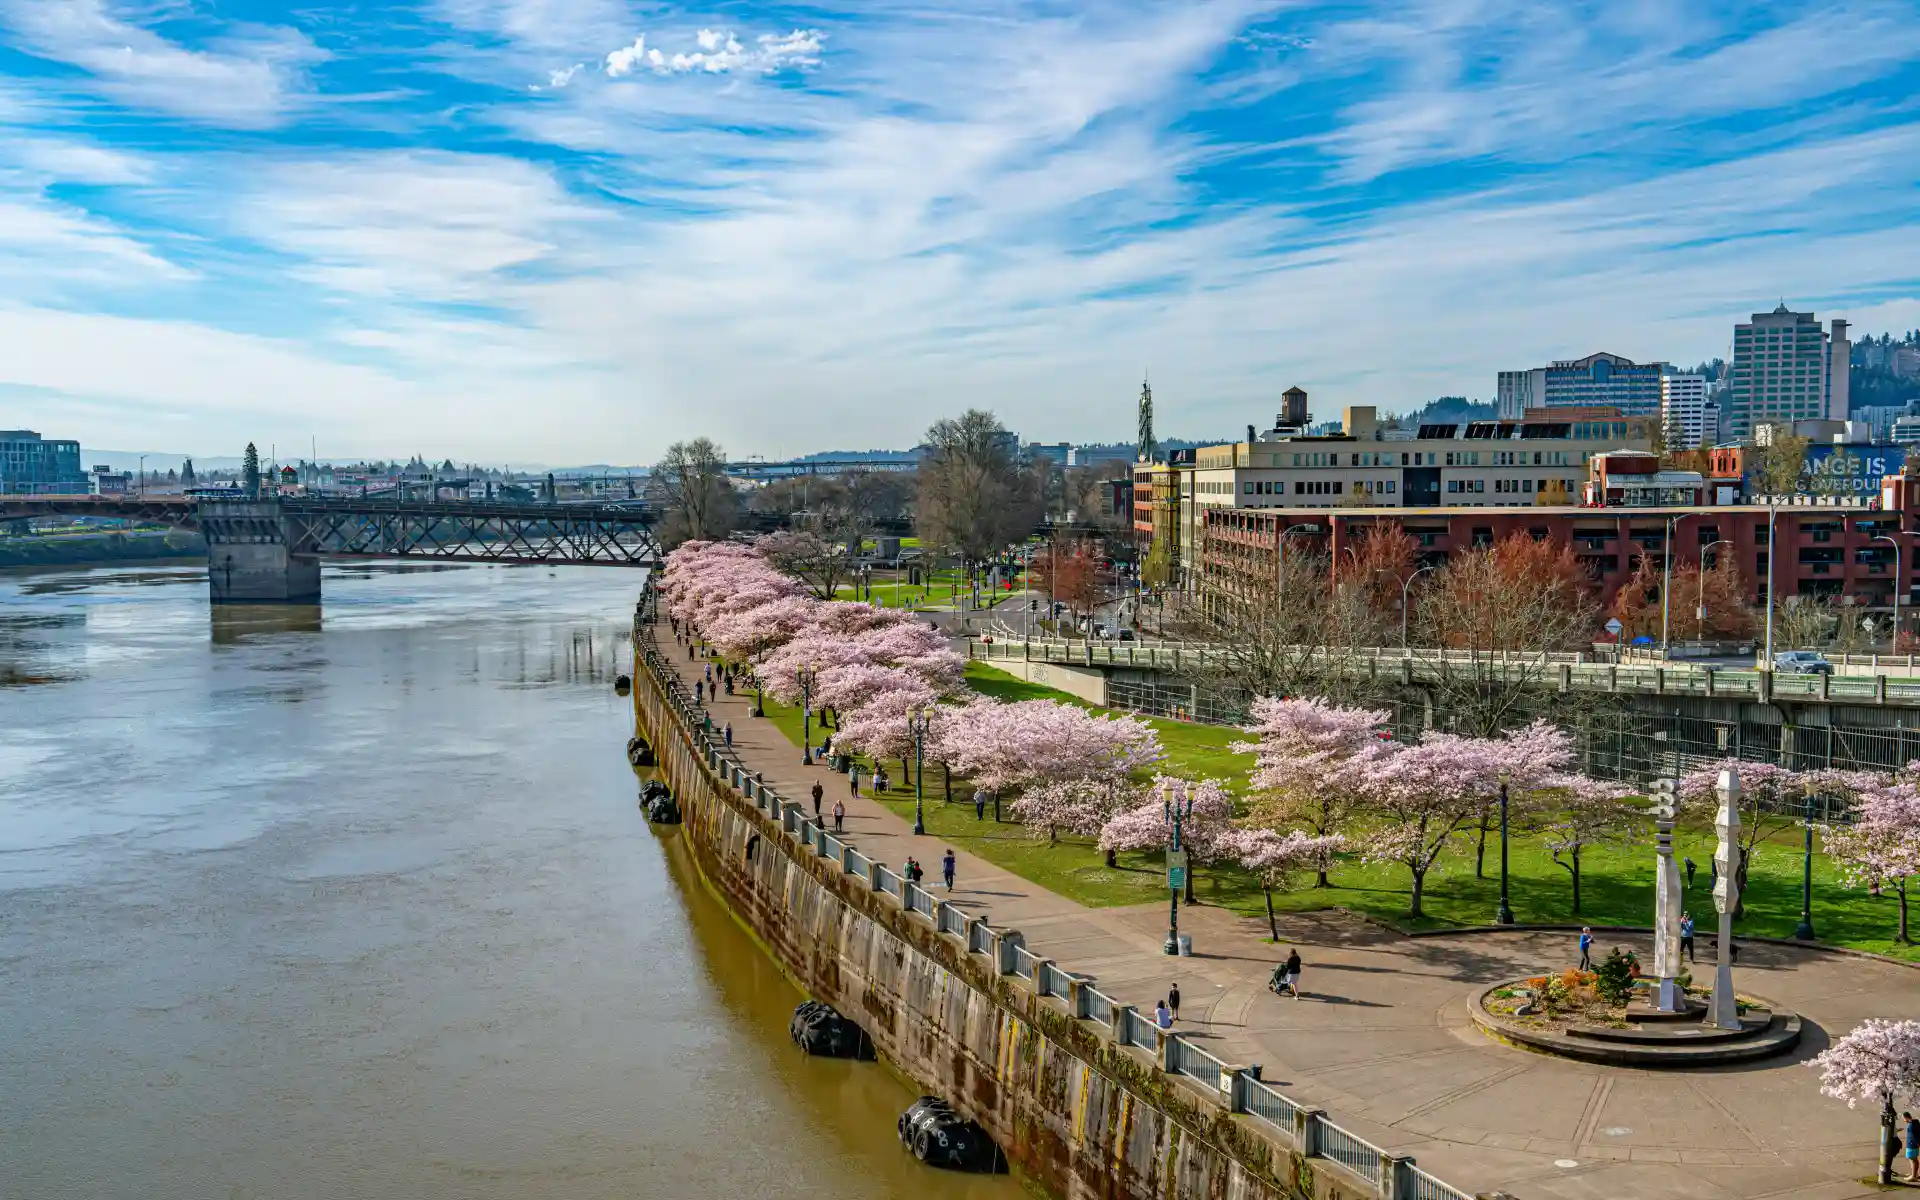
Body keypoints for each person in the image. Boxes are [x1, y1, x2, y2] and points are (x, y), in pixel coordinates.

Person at [1905, 1111, 1919, 1181]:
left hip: (1911, 1145)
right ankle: (1914, 1174)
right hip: (1914, 1145)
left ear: (1906, 1117)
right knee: (1915, 1160)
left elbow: (1914, 1136)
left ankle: (1913, 1176)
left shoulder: (1911, 1125)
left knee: (1912, 1160)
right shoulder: (1915, 1123)